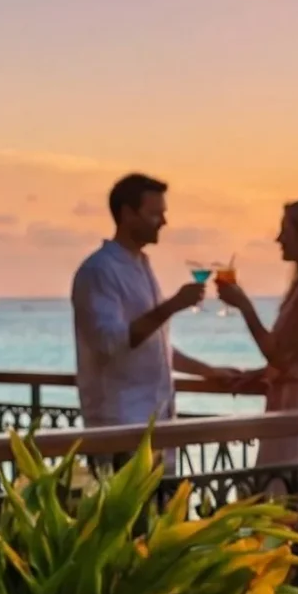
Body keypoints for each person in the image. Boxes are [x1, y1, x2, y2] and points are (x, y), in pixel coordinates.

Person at [70, 173, 236, 438]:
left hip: (158, 420)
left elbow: (153, 346)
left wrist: (207, 371)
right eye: (155, 214)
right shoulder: (99, 270)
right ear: (127, 214)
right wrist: (171, 306)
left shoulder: (142, 266)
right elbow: (110, 341)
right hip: (119, 423)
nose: (164, 222)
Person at [215, 199, 298, 467]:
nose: (279, 239)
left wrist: (244, 306)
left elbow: (278, 352)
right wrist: (261, 375)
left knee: (287, 490)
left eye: (286, 231)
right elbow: (296, 354)